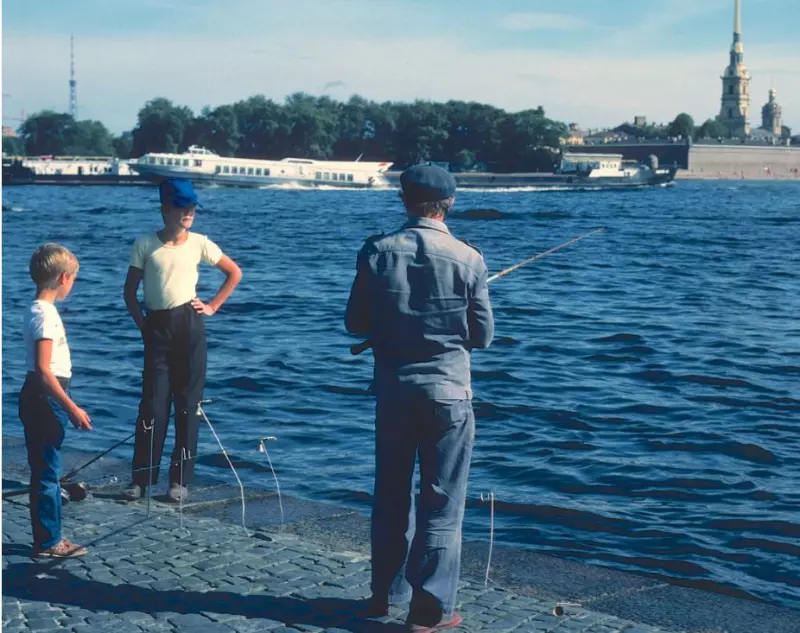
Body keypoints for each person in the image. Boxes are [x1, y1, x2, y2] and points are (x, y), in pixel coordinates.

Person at [345, 165, 494, 632]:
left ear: (404, 200)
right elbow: (484, 336)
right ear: (449, 203)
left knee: (391, 497)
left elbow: (355, 324)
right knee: (442, 503)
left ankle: (382, 596)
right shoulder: (468, 258)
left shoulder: (375, 252)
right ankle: (429, 613)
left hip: (393, 393)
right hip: (448, 396)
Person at [123, 178, 242, 503]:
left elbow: (234, 272)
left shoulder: (200, 243)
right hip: (156, 328)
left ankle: (179, 482)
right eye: (182, 207)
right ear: (166, 210)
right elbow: (129, 293)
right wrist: (143, 325)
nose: (188, 213)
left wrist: (213, 305)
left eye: (191, 208)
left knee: (188, 406)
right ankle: (141, 480)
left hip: (189, 327)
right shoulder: (146, 244)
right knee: (153, 406)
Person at [20, 243, 93, 558]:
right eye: (73, 279)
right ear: (64, 277)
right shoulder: (45, 315)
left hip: (40, 396)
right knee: (47, 471)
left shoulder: (37, 310)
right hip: (46, 397)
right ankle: (49, 542)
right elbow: (43, 370)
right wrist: (72, 407)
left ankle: (47, 534)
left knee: (44, 468)